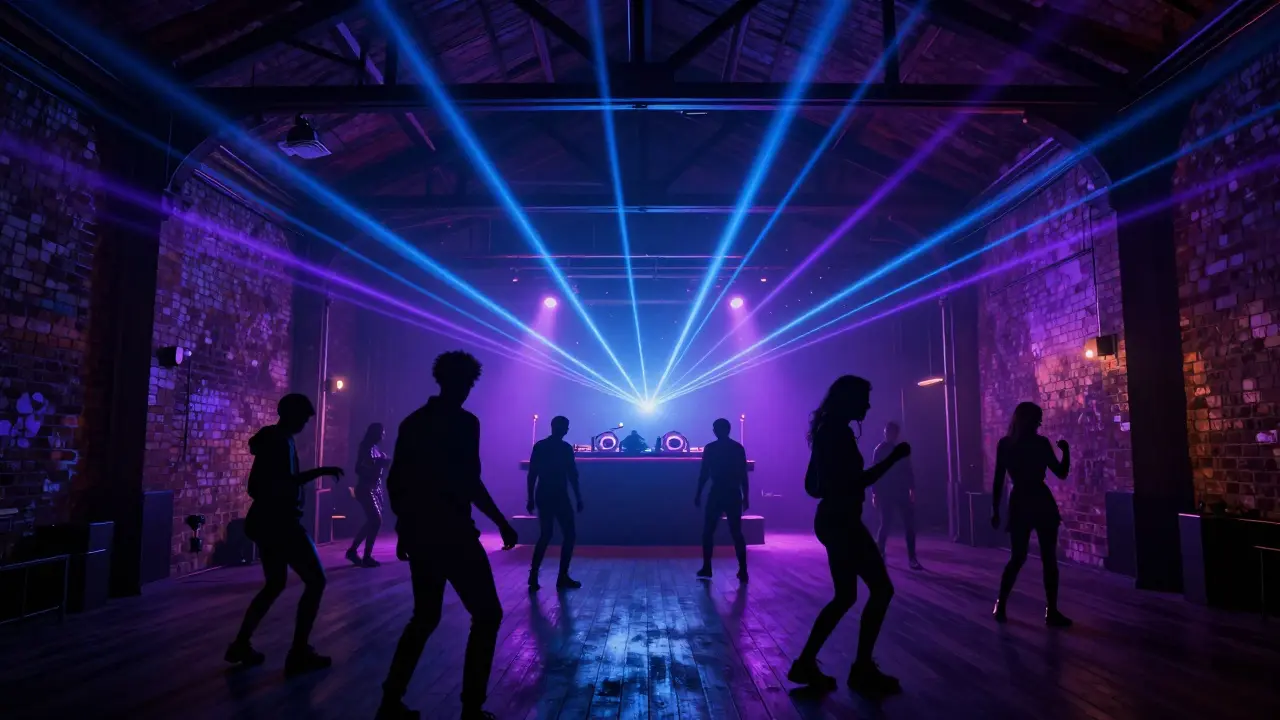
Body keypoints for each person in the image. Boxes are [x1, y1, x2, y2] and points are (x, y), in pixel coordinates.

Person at [377, 351, 519, 720]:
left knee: (424, 617)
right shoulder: (465, 423)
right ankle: (471, 708)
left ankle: (390, 702)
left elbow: (398, 481)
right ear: (466, 383)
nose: (467, 388)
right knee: (487, 614)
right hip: (455, 532)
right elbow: (469, 481)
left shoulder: (414, 423)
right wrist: (501, 521)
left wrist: (404, 527)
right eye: (468, 382)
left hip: (423, 532)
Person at [788, 376, 910, 696]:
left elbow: (812, 485)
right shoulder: (838, 434)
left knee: (845, 596)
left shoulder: (825, 431)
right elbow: (857, 481)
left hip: (833, 519)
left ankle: (807, 663)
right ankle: (861, 669)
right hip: (843, 521)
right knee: (881, 590)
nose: (868, 406)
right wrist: (894, 459)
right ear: (849, 400)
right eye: (863, 399)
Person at [226, 393, 344, 676]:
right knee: (316, 581)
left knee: (275, 584)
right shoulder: (281, 442)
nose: (305, 423)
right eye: (303, 417)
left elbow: (262, 485)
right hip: (282, 523)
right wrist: (322, 471)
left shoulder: (273, 438)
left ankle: (241, 643)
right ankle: (299, 651)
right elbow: (286, 482)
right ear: (291, 414)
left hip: (266, 521)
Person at [991, 401, 1072, 627]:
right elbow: (1061, 472)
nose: (1040, 422)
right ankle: (1051, 611)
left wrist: (995, 509)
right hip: (1041, 499)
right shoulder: (1041, 443)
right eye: (1038, 419)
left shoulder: (1005, 444)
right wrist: (1066, 451)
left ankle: (1001, 604)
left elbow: (998, 480)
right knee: (1049, 559)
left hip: (1020, 501)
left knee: (1018, 557)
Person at [527, 415, 584, 590]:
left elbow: (532, 474)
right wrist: (578, 497)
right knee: (569, 534)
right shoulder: (565, 448)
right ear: (563, 429)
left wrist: (530, 497)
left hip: (543, 493)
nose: (566, 429)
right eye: (566, 427)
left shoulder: (540, 446)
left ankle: (534, 575)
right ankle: (562, 576)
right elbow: (572, 475)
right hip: (559, 494)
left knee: (545, 534)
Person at [694, 418, 750, 582]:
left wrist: (698, 493)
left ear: (716, 430)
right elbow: (743, 475)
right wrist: (746, 496)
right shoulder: (737, 448)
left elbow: (704, 473)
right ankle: (743, 570)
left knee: (708, 531)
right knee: (736, 532)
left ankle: (707, 567)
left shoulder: (710, 448)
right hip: (733, 493)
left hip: (716, 492)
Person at [872, 421, 922, 570]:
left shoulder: (896, 449)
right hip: (888, 492)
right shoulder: (880, 450)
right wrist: (875, 493)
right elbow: (875, 472)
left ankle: (912, 558)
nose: (888, 434)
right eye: (887, 432)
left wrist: (912, 489)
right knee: (886, 524)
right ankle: (881, 553)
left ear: (895, 434)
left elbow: (908, 470)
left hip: (899, 491)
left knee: (907, 525)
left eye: (890, 432)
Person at [347, 422, 391, 568]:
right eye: (381, 432)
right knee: (376, 521)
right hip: (366, 488)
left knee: (373, 521)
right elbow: (358, 468)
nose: (383, 435)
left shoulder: (375, 448)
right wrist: (377, 464)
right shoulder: (366, 447)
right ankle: (365, 556)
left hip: (375, 488)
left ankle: (354, 551)